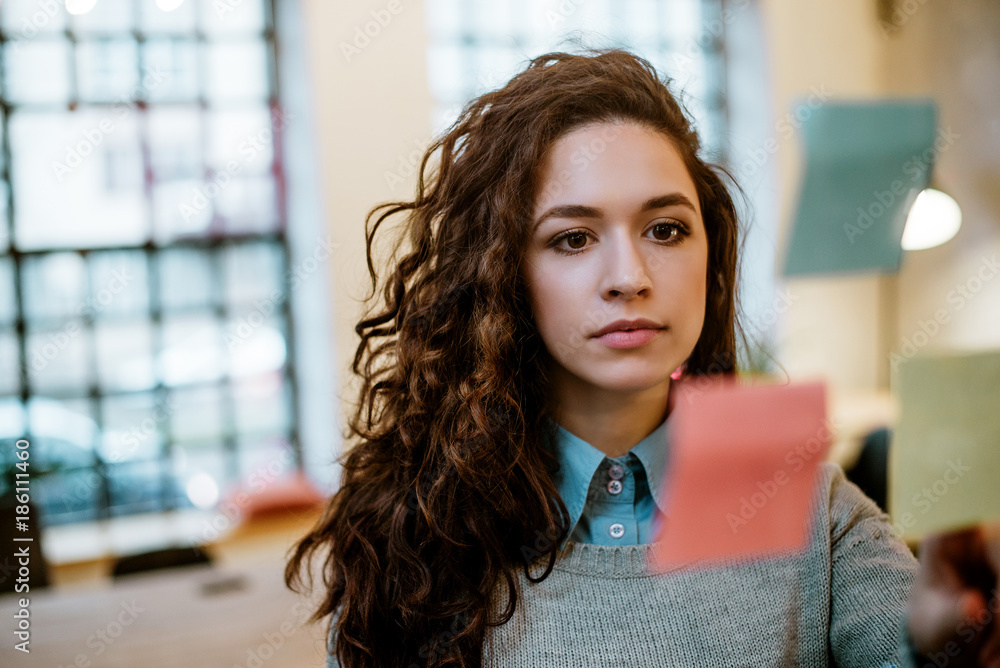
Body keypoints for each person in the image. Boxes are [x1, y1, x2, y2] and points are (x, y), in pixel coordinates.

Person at [285, 47, 1000, 668]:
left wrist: (945, 643)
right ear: (504, 273)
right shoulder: (414, 532)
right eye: (573, 238)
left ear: (711, 258)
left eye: (665, 229)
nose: (629, 276)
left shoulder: (810, 504)